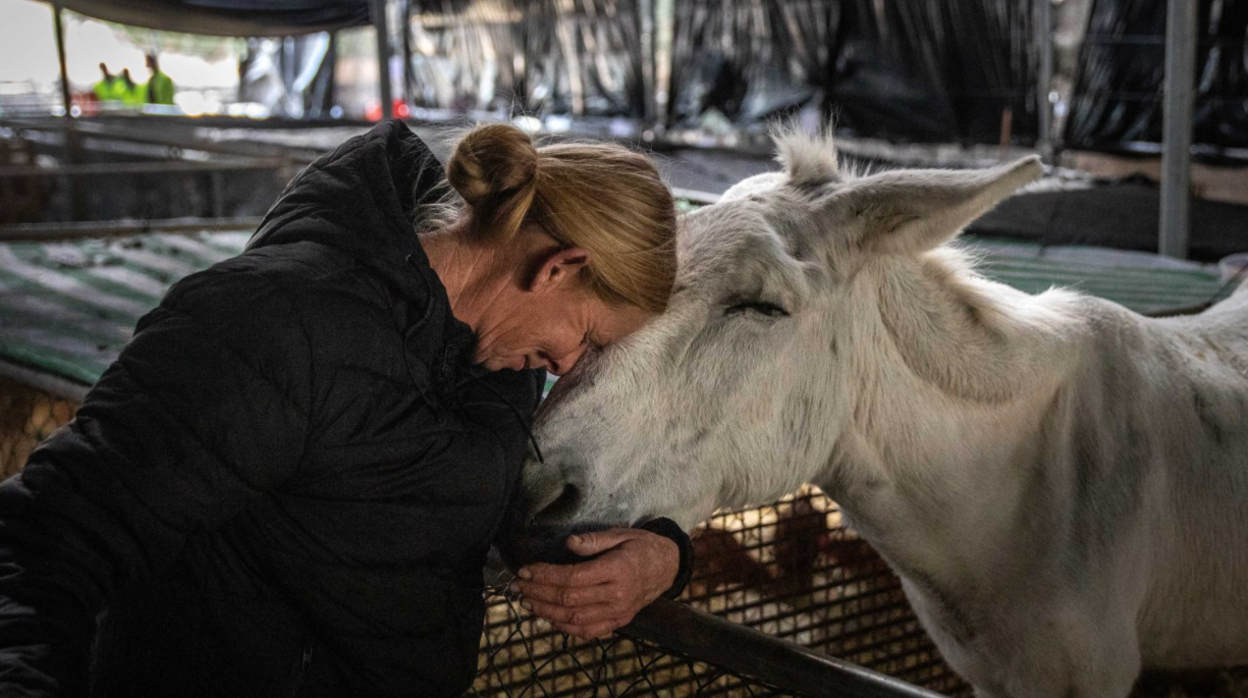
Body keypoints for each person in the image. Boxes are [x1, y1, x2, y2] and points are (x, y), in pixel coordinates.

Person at [0, 120, 690, 697]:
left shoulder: (490, 368)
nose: (570, 365)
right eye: (588, 337)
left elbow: (484, 514)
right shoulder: (272, 325)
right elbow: (44, 545)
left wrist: (663, 556)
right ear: (558, 268)